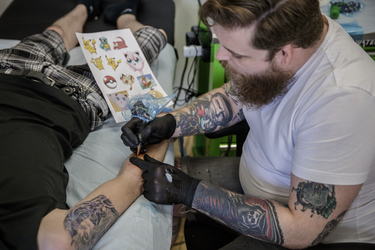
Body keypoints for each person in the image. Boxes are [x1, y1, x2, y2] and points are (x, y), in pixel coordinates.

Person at [121, 0, 375, 249]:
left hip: (306, 232)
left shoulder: (343, 101)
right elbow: (236, 96)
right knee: (145, 179)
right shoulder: (292, 38)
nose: (221, 55)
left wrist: (190, 193)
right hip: (258, 179)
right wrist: (170, 123)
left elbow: (303, 231)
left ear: (284, 54)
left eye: (236, 53)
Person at [0, 0, 171, 249]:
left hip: (7, 67)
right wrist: (166, 130)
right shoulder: (24, 229)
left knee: (54, 35)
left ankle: (86, 7)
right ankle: (123, 14)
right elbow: (60, 238)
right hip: (68, 95)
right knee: (151, 39)